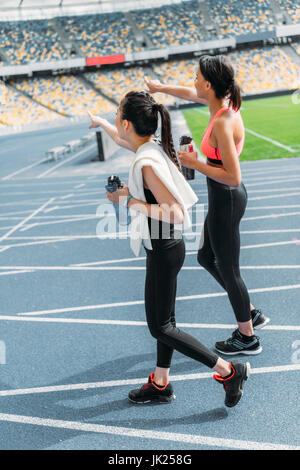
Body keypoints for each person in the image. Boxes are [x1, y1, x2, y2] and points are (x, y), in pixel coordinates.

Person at [88, 90, 250, 407]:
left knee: (160, 327)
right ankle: (161, 382)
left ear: (126, 122)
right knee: (166, 324)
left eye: (116, 115)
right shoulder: (151, 148)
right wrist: (100, 124)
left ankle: (229, 371)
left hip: (164, 247)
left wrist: (129, 200)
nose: (115, 121)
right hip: (165, 246)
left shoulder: (147, 160)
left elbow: (175, 211)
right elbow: (126, 147)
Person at [144, 54, 270, 356]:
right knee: (205, 257)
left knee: (229, 269)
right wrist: (161, 88)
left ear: (210, 85)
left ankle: (247, 336)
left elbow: (232, 175)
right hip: (221, 198)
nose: (193, 80)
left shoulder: (224, 122)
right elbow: (189, 93)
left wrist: (193, 163)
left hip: (227, 197)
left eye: (197, 76)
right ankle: (249, 312)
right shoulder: (219, 106)